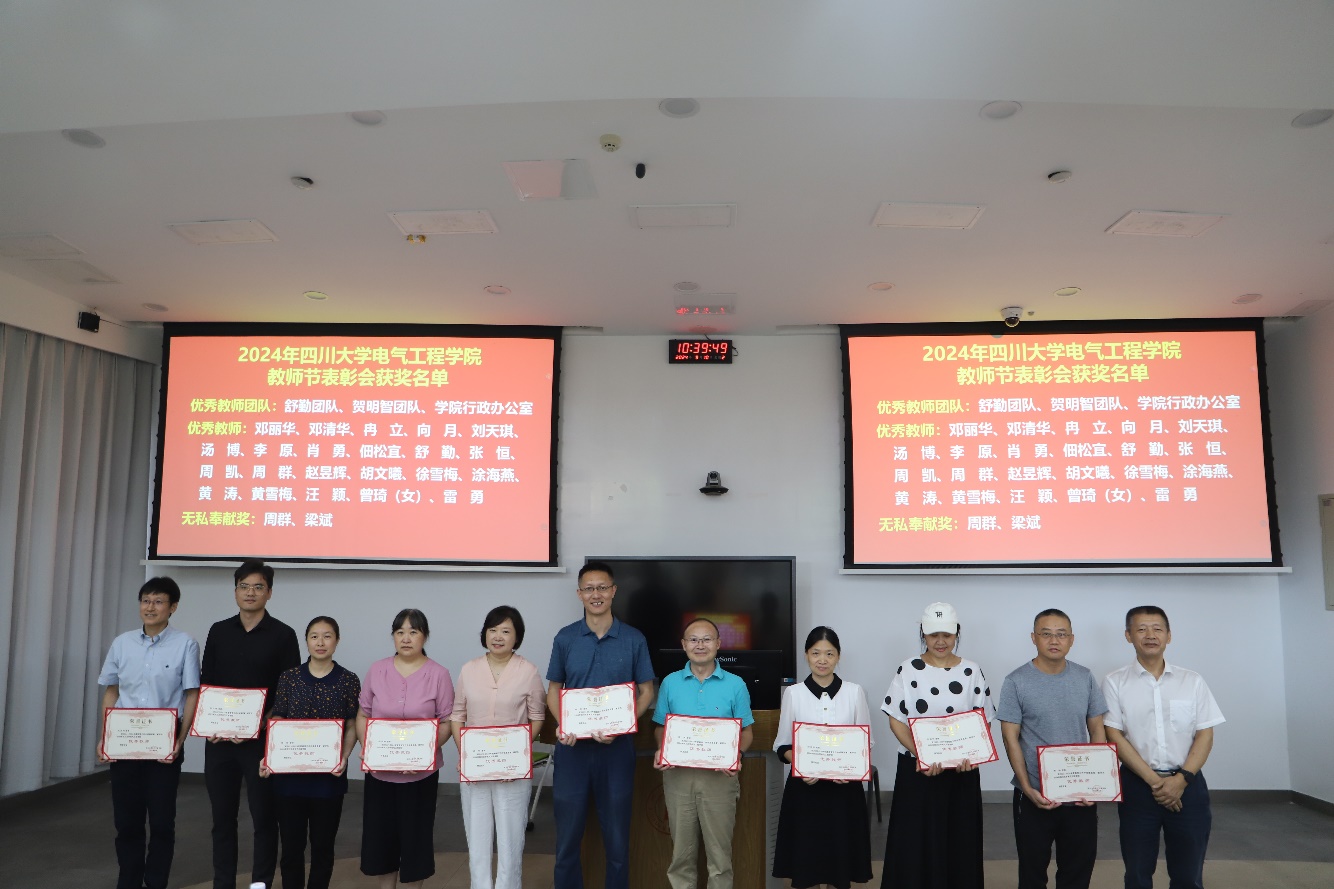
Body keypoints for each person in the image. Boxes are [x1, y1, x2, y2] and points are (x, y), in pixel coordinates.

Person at [545, 560, 656, 889]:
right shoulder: (565, 638)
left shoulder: (633, 639)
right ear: (579, 594)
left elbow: (647, 691)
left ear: (614, 591)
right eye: (589, 588)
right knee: (567, 840)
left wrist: (623, 724)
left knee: (618, 841)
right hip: (573, 752)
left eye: (603, 587)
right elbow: (554, 690)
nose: (596, 594)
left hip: (616, 751)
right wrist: (564, 722)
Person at [1102, 606, 1225, 889]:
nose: (1150, 635)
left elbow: (1205, 734)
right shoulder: (1114, 682)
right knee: (1137, 872)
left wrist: (1181, 780)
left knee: (1188, 874)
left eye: (1157, 629)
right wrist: (1156, 783)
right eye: (1141, 629)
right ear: (1128, 635)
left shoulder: (1192, 681)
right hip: (1137, 786)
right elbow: (1113, 735)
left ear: (1169, 636)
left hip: (1188, 786)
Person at [201, 560, 301, 889]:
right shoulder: (218, 631)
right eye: (244, 586)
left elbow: (287, 692)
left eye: (258, 587)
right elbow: (207, 683)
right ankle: (223, 881)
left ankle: (260, 881)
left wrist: (259, 726)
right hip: (219, 742)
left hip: (261, 742)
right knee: (221, 818)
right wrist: (210, 723)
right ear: (235, 591)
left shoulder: (283, 635)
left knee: (264, 816)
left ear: (269, 593)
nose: (250, 593)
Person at [96, 576, 201, 889]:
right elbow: (111, 691)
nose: (150, 607)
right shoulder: (122, 643)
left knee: (162, 822)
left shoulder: (185, 644)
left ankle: (156, 882)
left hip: (164, 744)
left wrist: (180, 741)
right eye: (145, 601)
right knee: (126, 821)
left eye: (158, 601)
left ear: (173, 607)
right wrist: (105, 736)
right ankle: (128, 881)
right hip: (124, 742)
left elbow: (191, 694)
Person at [880, 603, 994, 889]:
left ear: (957, 633)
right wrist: (923, 755)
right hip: (917, 770)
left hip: (961, 773)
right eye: (933, 635)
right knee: (914, 842)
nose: (940, 641)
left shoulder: (971, 671)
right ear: (923, 634)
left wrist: (972, 755)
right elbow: (896, 719)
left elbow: (983, 720)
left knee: (959, 841)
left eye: (947, 634)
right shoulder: (908, 669)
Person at [998, 608, 1108, 889]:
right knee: (1032, 872)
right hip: (1035, 793)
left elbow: (1097, 729)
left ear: (1072, 639)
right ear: (1033, 638)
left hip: (1079, 794)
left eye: (1061, 634)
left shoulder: (1084, 677)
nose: (1054, 640)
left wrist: (1095, 785)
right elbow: (1010, 738)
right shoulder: (1016, 681)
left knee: (1077, 871)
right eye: (1046, 634)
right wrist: (1026, 788)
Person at [652, 617, 756, 889]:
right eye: (694, 640)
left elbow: (746, 732)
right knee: (681, 857)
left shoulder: (736, 684)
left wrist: (736, 756)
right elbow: (661, 727)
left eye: (707, 639)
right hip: (678, 778)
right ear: (684, 645)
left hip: (719, 780)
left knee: (719, 859)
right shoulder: (670, 683)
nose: (700, 645)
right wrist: (662, 749)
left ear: (718, 644)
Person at [259, 616, 362, 889]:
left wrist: (344, 757)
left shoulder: (348, 680)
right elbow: (278, 719)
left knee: (323, 848)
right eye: (314, 636)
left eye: (327, 636)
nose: (320, 642)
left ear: (337, 641)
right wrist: (270, 756)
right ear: (306, 641)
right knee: (291, 849)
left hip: (328, 779)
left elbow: (352, 724)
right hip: (289, 779)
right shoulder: (290, 678)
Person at [356, 608, 455, 889]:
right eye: (400, 632)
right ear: (393, 636)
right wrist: (368, 747)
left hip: (420, 775)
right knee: (381, 837)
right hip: (381, 772)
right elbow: (363, 714)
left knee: (416, 838)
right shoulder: (377, 670)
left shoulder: (439, 674)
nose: (406, 638)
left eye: (413, 632)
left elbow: (447, 721)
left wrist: (423, 754)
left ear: (425, 636)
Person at [450, 605, 547, 889]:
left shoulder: (528, 671)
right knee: (477, 837)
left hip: (512, 770)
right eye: (492, 630)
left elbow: (537, 717)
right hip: (475, 768)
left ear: (517, 637)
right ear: (484, 634)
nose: (498, 637)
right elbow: (457, 715)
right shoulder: (469, 669)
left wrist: (517, 754)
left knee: (511, 839)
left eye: (505, 631)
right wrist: (465, 753)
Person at [772, 626, 874, 889]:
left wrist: (849, 770)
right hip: (805, 789)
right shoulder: (794, 693)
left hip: (844, 790)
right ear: (806, 654)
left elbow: (865, 742)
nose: (822, 660)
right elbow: (782, 744)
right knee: (807, 862)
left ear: (838, 656)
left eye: (829, 654)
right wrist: (802, 765)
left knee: (840, 863)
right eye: (816, 653)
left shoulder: (854, 692)